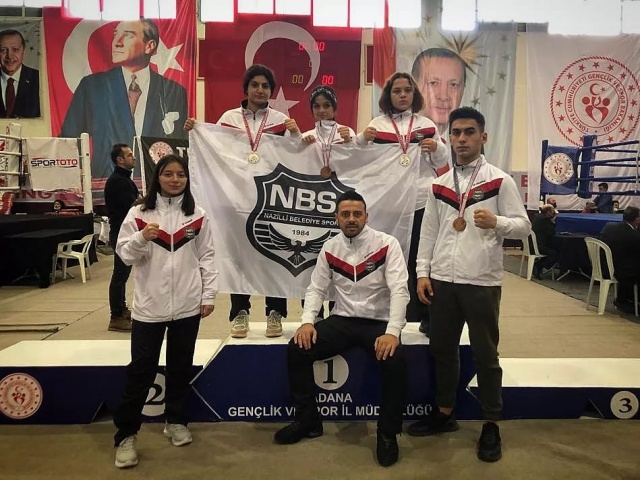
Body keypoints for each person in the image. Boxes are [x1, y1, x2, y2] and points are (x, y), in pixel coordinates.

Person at [408, 107, 530, 462]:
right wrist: (422, 273)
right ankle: (445, 413)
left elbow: (524, 226)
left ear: (483, 137)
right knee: (442, 350)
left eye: (469, 132)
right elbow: (429, 232)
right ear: (449, 138)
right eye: (456, 133)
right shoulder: (439, 185)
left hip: (481, 281)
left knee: (486, 355)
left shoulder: (499, 181)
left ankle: (491, 422)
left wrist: (498, 222)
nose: (462, 139)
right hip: (442, 282)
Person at [273, 191, 409, 468]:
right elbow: (316, 288)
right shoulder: (330, 247)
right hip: (343, 320)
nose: (351, 219)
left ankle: (387, 433)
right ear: (336, 218)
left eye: (357, 214)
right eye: (345, 214)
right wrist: (307, 321)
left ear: (366, 217)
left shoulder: (387, 244)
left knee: (395, 361)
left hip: (378, 322)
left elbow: (399, 290)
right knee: (297, 349)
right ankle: (308, 421)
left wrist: (393, 331)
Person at [112, 153, 218, 469]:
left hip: (187, 306)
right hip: (149, 308)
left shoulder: (197, 215)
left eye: (180, 174)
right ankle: (126, 435)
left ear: (187, 179)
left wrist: (208, 295)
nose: (175, 179)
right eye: (168, 174)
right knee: (140, 372)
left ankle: (176, 420)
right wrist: (141, 238)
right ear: (157, 176)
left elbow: (208, 256)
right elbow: (124, 255)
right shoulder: (138, 213)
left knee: (180, 367)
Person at [185, 64, 301, 339]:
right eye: (255, 85)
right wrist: (196, 130)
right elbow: (215, 148)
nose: (260, 90)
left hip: (270, 200)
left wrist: (295, 135)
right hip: (235, 199)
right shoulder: (229, 119)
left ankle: (275, 312)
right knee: (237, 256)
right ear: (246, 88)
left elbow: (297, 156)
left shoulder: (281, 120)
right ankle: (240, 312)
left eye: (265, 86)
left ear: (271, 91)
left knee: (274, 256)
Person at [357, 72, 449, 336]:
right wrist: (362, 140)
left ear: (414, 94)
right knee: (387, 261)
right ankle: (383, 313)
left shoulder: (426, 125)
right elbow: (361, 161)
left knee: (422, 261)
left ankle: (425, 316)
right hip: (388, 205)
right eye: (397, 91)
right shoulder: (377, 125)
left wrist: (437, 148)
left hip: (420, 202)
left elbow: (441, 161)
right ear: (388, 95)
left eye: (407, 90)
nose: (402, 95)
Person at [60, 18, 188, 182]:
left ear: (149, 46)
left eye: (128, 35)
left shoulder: (173, 91)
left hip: (155, 183)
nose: (117, 43)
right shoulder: (93, 86)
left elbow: (179, 145)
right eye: (115, 35)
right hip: (106, 184)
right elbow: (70, 139)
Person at [299, 84, 355, 319]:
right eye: (317, 106)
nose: (322, 110)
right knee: (309, 259)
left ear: (334, 108)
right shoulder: (305, 137)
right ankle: (312, 313)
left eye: (326, 105)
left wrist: (352, 144)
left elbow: (360, 164)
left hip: (338, 205)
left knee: (338, 257)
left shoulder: (348, 134)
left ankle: (337, 311)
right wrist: (298, 147)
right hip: (312, 206)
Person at [104, 144, 140, 332]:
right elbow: (131, 208)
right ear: (119, 160)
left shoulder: (124, 180)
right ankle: (116, 316)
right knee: (120, 275)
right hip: (120, 234)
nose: (133, 158)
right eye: (129, 155)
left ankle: (121, 308)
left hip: (125, 232)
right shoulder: (118, 182)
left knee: (123, 274)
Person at [411, 48, 466, 137]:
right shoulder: (392, 139)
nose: (443, 96)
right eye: (433, 83)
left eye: (453, 85)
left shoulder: (472, 141)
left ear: (463, 90)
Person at [600, 206, 640, 314]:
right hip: (619, 271)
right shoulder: (633, 235)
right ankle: (629, 300)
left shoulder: (609, 227)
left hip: (604, 266)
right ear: (637, 219)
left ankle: (624, 299)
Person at [0, 28, 40, 118]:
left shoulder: (40, 79)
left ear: (23, 51)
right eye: (3, 50)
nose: (9, 56)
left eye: (15, 49)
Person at [531, 204, 559, 279]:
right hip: (539, 246)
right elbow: (551, 233)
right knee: (555, 253)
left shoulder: (537, 217)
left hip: (533, 245)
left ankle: (538, 265)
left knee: (552, 251)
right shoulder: (545, 220)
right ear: (548, 212)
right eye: (552, 212)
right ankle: (538, 266)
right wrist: (553, 222)